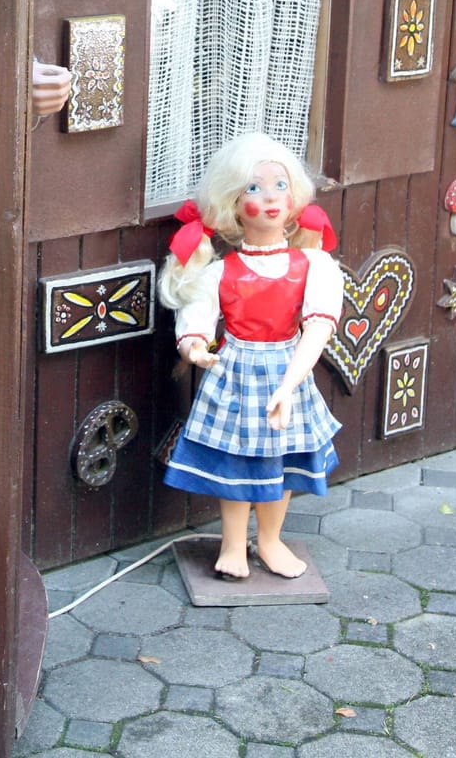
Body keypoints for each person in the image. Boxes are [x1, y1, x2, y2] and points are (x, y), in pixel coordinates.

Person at [159, 133, 341, 581]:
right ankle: (233, 544)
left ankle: (270, 540)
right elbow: (198, 319)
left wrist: (289, 383)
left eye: (279, 185)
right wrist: (195, 348)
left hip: (287, 367)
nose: (270, 198)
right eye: (253, 189)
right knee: (237, 463)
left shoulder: (312, 265)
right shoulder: (221, 271)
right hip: (235, 373)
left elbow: (318, 327)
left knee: (282, 463)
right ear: (233, 205)